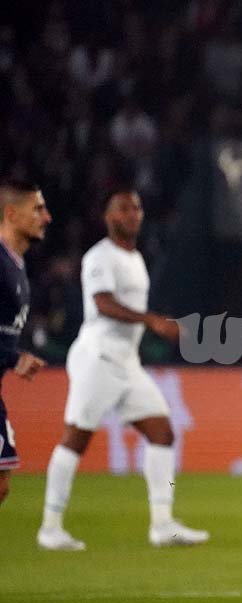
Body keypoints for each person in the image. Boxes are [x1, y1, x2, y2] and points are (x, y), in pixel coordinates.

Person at [37, 188, 208, 551]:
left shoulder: (136, 258)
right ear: (108, 217)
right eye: (123, 209)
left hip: (127, 362)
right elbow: (103, 303)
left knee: (163, 433)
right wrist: (151, 320)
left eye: (136, 208)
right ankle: (50, 526)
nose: (132, 214)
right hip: (98, 358)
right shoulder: (100, 257)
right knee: (76, 439)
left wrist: (151, 322)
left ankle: (162, 524)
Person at [0, 179, 51, 505]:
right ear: (11, 214)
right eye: (38, 209)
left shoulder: (16, 266)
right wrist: (12, 358)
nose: (47, 217)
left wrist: (12, 356)